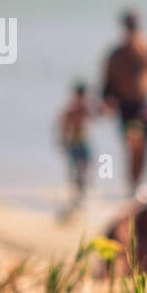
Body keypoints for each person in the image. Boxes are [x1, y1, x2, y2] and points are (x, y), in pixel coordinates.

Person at [101, 9, 147, 195]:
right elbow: (107, 82)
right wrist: (106, 103)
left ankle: (137, 185)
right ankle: (133, 186)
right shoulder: (117, 54)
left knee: (145, 148)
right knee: (134, 147)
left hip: (145, 105)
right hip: (127, 106)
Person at [56, 81, 93, 209]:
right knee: (76, 169)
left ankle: (79, 194)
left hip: (82, 142)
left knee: (83, 169)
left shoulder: (84, 108)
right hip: (74, 143)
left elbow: (94, 118)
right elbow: (64, 125)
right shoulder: (72, 110)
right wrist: (63, 140)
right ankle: (76, 195)